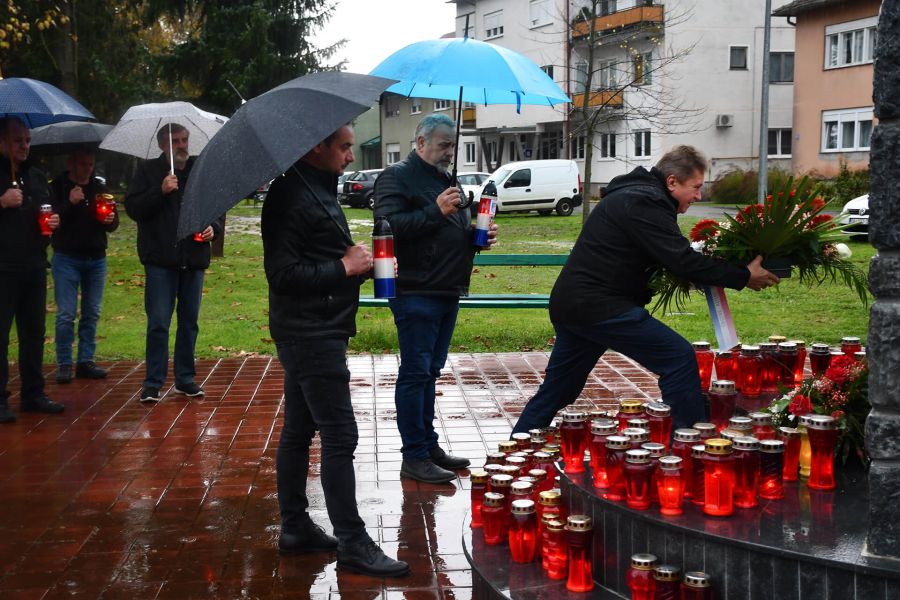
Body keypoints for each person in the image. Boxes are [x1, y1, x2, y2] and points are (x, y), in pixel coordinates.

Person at [512, 145, 780, 434]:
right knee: (678, 358)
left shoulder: (637, 196)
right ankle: (688, 445)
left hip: (577, 305)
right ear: (672, 181)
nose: (699, 196)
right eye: (696, 187)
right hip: (600, 306)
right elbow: (680, 259)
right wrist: (742, 276)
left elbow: (666, 254)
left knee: (559, 390)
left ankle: (514, 449)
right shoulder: (645, 201)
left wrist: (715, 266)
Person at [261, 123, 408, 578]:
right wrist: (345, 266)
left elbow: (319, 257)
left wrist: (360, 266)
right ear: (316, 145)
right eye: (344, 147)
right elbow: (283, 275)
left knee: (299, 431)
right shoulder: (290, 196)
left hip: (316, 327)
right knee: (340, 434)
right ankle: (353, 542)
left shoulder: (313, 188)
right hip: (310, 333)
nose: (350, 156)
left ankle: (295, 527)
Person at [373, 114, 497, 484]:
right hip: (415, 290)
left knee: (430, 371)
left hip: (446, 288)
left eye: (452, 145)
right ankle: (413, 455)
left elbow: (447, 229)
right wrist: (436, 210)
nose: (449, 152)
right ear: (421, 141)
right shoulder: (396, 177)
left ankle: (428, 446)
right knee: (415, 373)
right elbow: (387, 228)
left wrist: (476, 237)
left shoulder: (446, 178)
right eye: (443, 144)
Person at [124, 123, 223, 403]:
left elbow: (215, 209)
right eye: (175, 141)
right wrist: (160, 191)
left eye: (185, 139)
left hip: (193, 258)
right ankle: (153, 382)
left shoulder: (198, 170)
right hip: (160, 260)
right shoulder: (147, 172)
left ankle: (185, 379)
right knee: (158, 323)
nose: (182, 145)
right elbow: (133, 209)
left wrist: (213, 228)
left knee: (189, 322)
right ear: (162, 145)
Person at [0, 116, 64, 423]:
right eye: (17, 140)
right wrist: (1, 201)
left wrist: (53, 223)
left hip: (34, 264)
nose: (24, 145)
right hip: (3, 267)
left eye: (27, 140)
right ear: (2, 142)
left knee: (34, 333)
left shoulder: (37, 174)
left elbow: (48, 209)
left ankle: (33, 393)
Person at [49, 149, 119, 384]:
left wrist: (109, 220)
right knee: (67, 314)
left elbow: (113, 222)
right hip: (67, 256)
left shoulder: (100, 189)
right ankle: (64, 362)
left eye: (90, 164)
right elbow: (50, 220)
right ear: (70, 163)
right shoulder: (58, 186)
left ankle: (86, 360)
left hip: (96, 257)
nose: (87, 169)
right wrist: (69, 202)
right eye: (82, 164)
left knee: (92, 312)